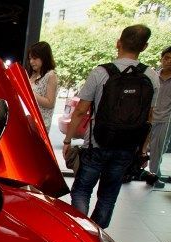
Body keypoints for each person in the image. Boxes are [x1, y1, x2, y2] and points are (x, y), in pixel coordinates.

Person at [63, 24, 159, 229]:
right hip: (127, 146)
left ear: (119, 42)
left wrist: (68, 139)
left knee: (82, 189)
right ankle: (99, 234)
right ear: (144, 46)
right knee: (109, 193)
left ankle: (81, 232)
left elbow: (81, 110)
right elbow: (150, 118)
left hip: (97, 143)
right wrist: (143, 150)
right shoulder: (151, 76)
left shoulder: (101, 72)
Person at [147, 46, 171, 188]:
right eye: (166, 58)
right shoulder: (152, 76)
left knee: (158, 149)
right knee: (138, 148)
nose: (168, 62)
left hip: (165, 120)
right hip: (147, 118)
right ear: (161, 59)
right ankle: (130, 172)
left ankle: (154, 176)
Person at [26, 41, 58, 133]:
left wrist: (29, 93)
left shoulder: (50, 75)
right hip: (28, 120)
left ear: (44, 57)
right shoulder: (32, 74)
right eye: (30, 58)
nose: (31, 61)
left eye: (35, 58)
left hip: (39, 124)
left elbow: (50, 103)